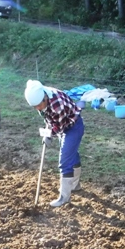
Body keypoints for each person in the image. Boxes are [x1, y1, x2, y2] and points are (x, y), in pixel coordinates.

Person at [24, 79, 84, 207]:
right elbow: (49, 118)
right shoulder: (42, 95)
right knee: (71, 154)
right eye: (35, 107)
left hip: (73, 126)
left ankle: (64, 197)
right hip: (65, 124)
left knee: (65, 161)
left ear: (45, 98)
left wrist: (49, 135)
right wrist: (47, 130)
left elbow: (60, 128)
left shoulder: (57, 105)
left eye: (39, 105)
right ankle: (75, 185)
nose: (37, 108)